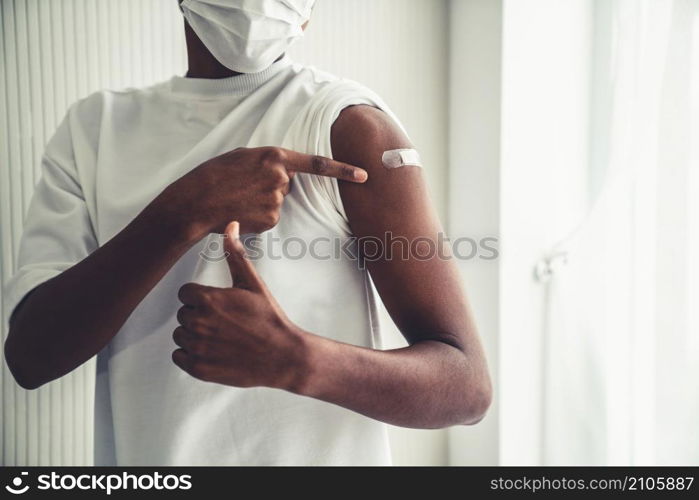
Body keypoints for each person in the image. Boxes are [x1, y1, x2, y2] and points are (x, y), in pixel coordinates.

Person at [3, 0, 492, 465]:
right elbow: (31, 357)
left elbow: (466, 388)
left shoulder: (347, 126)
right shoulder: (94, 129)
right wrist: (182, 211)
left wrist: (297, 359)